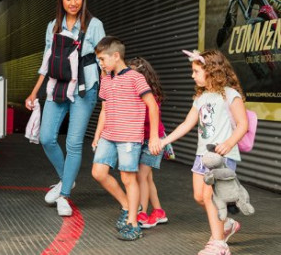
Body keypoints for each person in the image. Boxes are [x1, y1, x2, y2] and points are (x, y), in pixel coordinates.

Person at [24, 0, 105, 217]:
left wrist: (109, 90)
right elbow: (47, 61)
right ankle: (65, 179)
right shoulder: (53, 26)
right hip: (57, 85)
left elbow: (105, 59)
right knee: (47, 137)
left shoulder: (94, 24)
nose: (73, 3)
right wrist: (34, 91)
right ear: (61, 0)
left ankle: (65, 195)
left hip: (85, 86)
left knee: (73, 143)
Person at [160, 50, 248, 255]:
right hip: (202, 155)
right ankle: (226, 225)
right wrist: (165, 140)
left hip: (222, 157)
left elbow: (243, 124)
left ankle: (219, 245)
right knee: (200, 197)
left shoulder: (230, 95)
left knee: (211, 197)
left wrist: (228, 143)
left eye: (196, 71)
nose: (193, 75)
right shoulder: (201, 98)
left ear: (211, 71)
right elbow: (187, 124)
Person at [90, 37, 160, 241]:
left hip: (129, 137)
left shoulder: (135, 78)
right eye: (99, 60)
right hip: (108, 135)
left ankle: (133, 223)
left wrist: (154, 136)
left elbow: (152, 106)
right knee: (98, 172)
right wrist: (97, 135)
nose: (100, 64)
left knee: (128, 178)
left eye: (102, 59)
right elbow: (104, 109)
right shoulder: (105, 78)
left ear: (116, 56)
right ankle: (128, 205)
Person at [127, 57, 169, 229]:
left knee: (141, 177)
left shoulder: (150, 95)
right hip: (140, 139)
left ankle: (142, 213)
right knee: (147, 178)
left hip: (153, 140)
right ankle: (158, 211)